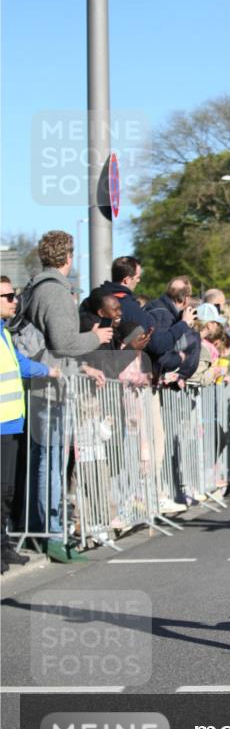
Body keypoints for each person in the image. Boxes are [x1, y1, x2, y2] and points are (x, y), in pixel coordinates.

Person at [18, 231, 112, 559]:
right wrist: (96, 337)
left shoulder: (34, 287)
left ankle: (42, 529)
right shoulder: (54, 292)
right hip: (51, 389)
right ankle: (54, 534)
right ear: (68, 258)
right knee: (53, 463)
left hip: (45, 384)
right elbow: (63, 343)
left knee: (46, 461)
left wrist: (82, 369)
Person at [1, 276, 60, 572]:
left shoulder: (5, 335)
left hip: (11, 423)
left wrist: (49, 370)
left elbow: (21, 365)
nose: (14, 301)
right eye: (8, 296)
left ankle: (3, 546)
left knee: (7, 490)